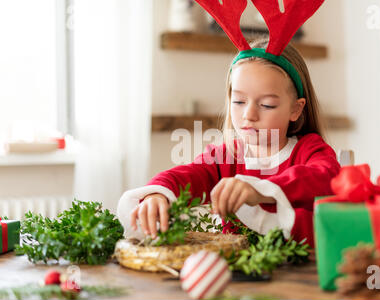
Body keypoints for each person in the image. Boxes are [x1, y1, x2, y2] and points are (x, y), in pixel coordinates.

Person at [117, 37, 340, 248]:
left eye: (267, 105)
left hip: (298, 276)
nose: (249, 114)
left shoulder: (308, 149)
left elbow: (327, 177)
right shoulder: (225, 156)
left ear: (295, 109)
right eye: (239, 101)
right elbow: (189, 174)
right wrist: (158, 194)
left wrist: (260, 190)